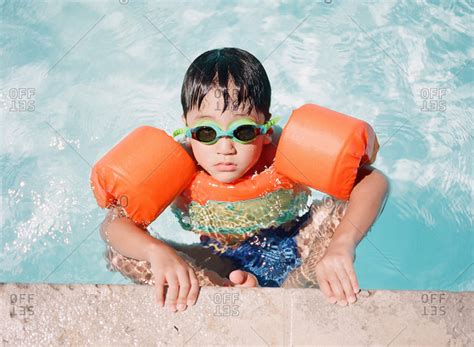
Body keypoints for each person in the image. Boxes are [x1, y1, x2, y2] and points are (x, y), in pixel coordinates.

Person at [100, 47, 389, 312]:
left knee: (339, 213)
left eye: (243, 131)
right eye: (206, 133)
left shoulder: (284, 151)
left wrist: (342, 245)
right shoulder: (176, 163)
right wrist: (157, 252)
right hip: (219, 261)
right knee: (122, 254)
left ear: (265, 128)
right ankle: (226, 291)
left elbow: (374, 182)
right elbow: (113, 225)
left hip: (297, 246)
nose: (224, 148)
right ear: (186, 127)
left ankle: (287, 292)